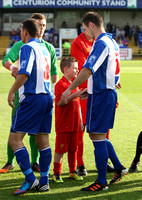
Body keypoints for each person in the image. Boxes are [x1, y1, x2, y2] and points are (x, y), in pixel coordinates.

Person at [61, 12, 128, 192]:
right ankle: (119, 168)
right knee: (97, 135)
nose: (86, 33)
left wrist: (69, 89)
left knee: (97, 136)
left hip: (101, 95)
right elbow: (111, 74)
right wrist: (88, 91)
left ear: (91, 25)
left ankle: (101, 181)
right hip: (103, 93)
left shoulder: (100, 43)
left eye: (85, 29)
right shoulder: (113, 42)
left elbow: (87, 70)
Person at [0, 13, 58, 174]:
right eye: (39, 25)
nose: (41, 28)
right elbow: (6, 60)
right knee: (36, 135)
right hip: (37, 97)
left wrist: (11, 90)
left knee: (19, 136)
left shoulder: (41, 47)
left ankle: (32, 169)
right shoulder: (25, 46)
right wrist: (13, 67)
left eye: (44, 25)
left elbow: (51, 72)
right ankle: (11, 162)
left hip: (32, 95)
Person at [8, 18, 53, 195]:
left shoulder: (27, 47)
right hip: (47, 97)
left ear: (25, 32)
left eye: (21, 30)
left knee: (14, 140)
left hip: (32, 99)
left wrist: (12, 91)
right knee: (43, 141)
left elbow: (25, 74)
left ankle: (29, 178)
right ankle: (44, 181)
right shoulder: (45, 48)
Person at [71, 31, 114, 174]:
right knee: (81, 128)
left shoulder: (101, 41)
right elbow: (84, 68)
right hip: (86, 91)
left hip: (100, 90)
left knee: (103, 129)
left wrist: (111, 79)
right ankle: (80, 163)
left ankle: (105, 162)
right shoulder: (79, 42)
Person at [53, 57, 84, 183]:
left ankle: (72, 171)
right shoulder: (60, 85)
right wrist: (74, 95)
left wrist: (81, 120)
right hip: (64, 124)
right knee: (60, 150)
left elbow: (78, 105)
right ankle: (56, 173)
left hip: (75, 124)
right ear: (66, 69)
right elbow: (60, 103)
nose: (77, 71)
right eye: (75, 68)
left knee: (73, 149)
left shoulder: (74, 84)